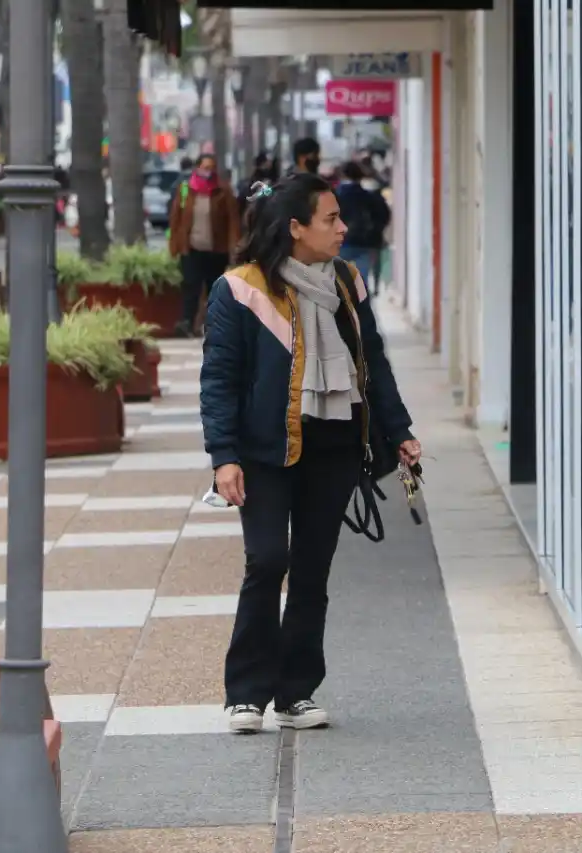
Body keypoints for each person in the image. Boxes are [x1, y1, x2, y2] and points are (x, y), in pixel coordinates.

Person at [200, 173, 421, 733]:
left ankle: (296, 692)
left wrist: (399, 430)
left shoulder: (347, 281)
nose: (343, 228)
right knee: (267, 560)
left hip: (335, 447)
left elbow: (372, 360)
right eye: (330, 219)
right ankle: (245, 693)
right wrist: (224, 456)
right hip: (265, 452)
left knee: (312, 572)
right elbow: (220, 380)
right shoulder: (241, 289)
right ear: (295, 228)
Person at [168, 153, 240, 337]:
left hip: (216, 250)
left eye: (211, 168)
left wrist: (234, 246)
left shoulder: (223, 191)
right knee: (190, 285)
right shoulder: (185, 190)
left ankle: (212, 325)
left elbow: (233, 221)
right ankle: (187, 322)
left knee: (213, 288)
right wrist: (174, 245)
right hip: (191, 248)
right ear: (197, 168)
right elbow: (176, 218)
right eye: (205, 167)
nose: (208, 171)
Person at [334, 161, 391, 292]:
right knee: (362, 284)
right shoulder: (369, 196)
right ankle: (362, 309)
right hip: (364, 244)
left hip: (340, 244)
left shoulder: (335, 196)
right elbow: (383, 215)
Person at [238, 151, 276, 221]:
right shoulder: (263, 180)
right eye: (268, 162)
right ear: (263, 163)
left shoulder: (254, 179)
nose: (270, 164)